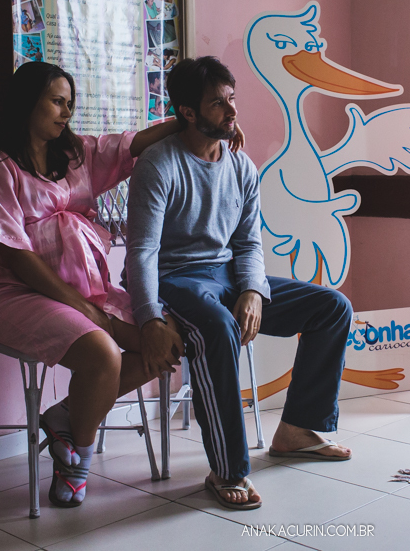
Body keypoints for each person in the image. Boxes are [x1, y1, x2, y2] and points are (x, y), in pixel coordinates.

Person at [0, 61, 244, 508]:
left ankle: (64, 420)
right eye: (57, 101)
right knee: (102, 352)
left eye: (69, 104)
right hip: (17, 295)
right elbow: (17, 258)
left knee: (169, 341)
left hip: (88, 290)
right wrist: (90, 312)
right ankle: (77, 461)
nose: (65, 113)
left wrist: (209, 126)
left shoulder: (74, 156)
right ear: (26, 103)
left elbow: (130, 144)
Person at [126, 56, 353, 512]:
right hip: (178, 280)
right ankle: (228, 469)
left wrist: (252, 290)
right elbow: (143, 252)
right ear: (187, 113)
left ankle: (296, 431)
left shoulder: (242, 167)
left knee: (332, 308)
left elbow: (249, 242)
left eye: (231, 100)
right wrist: (149, 316)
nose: (231, 113)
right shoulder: (159, 165)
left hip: (229, 275)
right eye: (217, 105)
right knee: (219, 328)